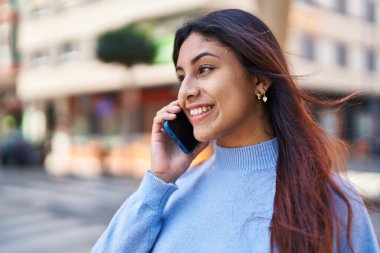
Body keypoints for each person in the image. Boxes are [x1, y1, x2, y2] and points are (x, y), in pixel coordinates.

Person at [92, 9, 379, 253]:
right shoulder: (167, 192)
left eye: (204, 69)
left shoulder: (331, 200)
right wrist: (159, 182)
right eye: (181, 77)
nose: (186, 91)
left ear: (260, 79)